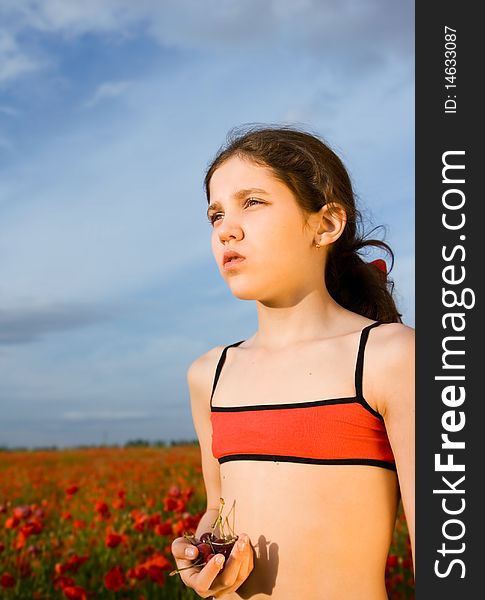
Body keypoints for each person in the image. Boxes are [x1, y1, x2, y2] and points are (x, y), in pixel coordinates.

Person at [171, 125, 415, 600]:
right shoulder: (209, 375)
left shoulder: (389, 356)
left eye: (252, 202)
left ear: (325, 224)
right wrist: (200, 559)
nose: (227, 228)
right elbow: (217, 506)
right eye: (215, 214)